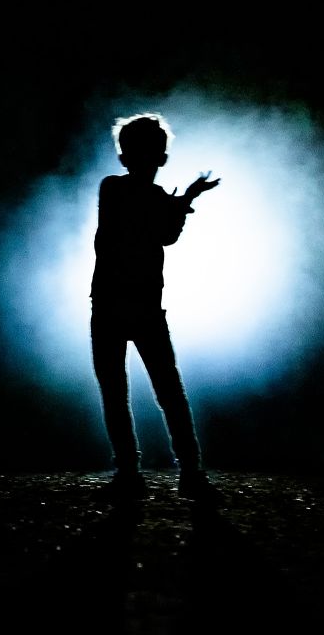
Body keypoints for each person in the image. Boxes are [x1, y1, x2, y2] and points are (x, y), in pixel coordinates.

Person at [90, 112, 220, 502]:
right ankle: (185, 473)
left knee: (129, 392)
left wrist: (180, 204)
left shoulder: (117, 188)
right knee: (163, 391)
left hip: (118, 304)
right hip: (136, 304)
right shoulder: (120, 190)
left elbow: (162, 235)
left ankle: (135, 473)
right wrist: (182, 204)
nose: (152, 158)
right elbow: (161, 232)